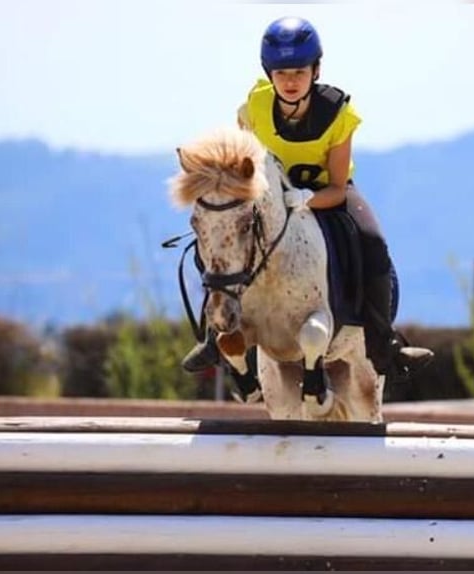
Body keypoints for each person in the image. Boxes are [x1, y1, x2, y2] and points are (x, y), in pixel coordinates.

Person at [183, 16, 433, 384]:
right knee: (217, 236)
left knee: (373, 242)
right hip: (267, 197)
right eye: (281, 72)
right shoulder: (254, 107)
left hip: (325, 193)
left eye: (299, 71)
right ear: (269, 73)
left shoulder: (339, 113)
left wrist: (302, 199)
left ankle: (384, 347)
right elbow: (242, 165)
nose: (290, 81)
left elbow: (335, 186)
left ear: (316, 70)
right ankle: (214, 334)